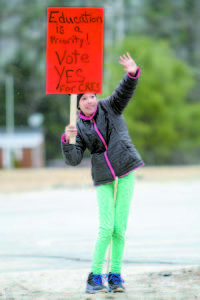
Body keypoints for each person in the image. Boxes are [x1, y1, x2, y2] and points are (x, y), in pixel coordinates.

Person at [61, 53, 144, 294]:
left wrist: (131, 72)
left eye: (92, 96)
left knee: (120, 229)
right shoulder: (76, 126)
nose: (90, 101)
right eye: (84, 98)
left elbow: (124, 91)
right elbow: (74, 160)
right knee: (106, 227)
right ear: (77, 103)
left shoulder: (110, 107)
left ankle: (115, 275)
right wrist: (68, 140)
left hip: (126, 169)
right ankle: (95, 276)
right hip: (103, 177)